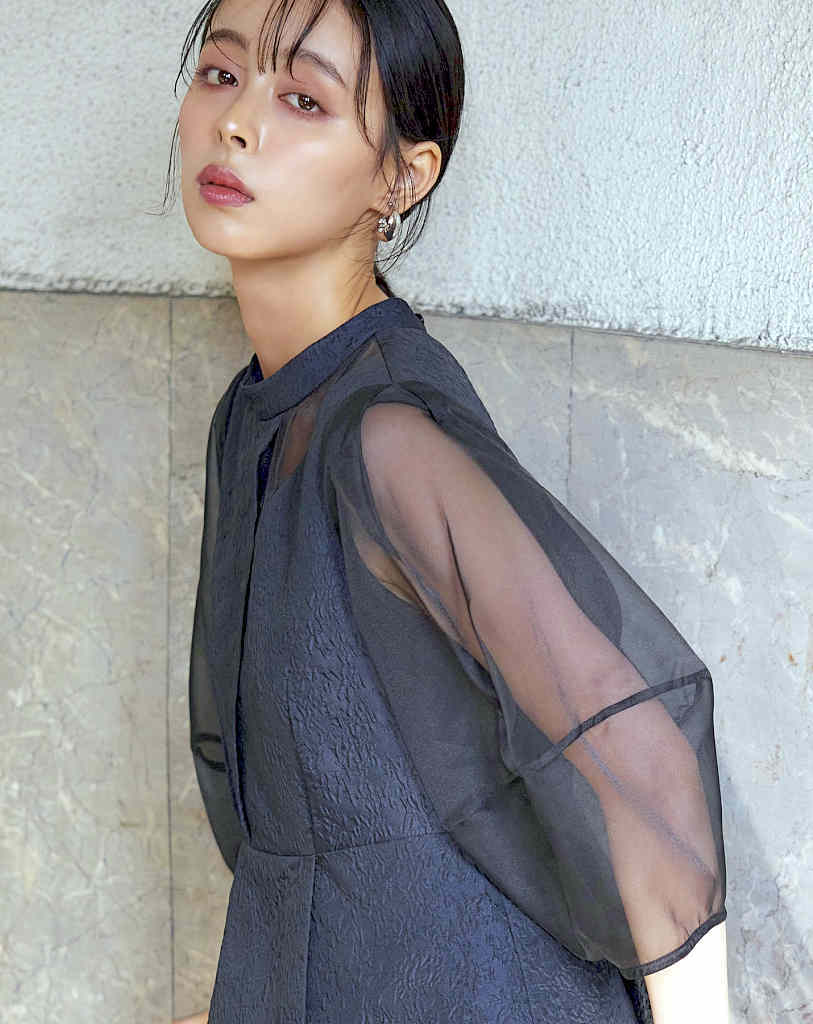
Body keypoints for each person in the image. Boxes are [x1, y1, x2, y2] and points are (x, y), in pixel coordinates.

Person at [166, 0, 730, 1020]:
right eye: (221, 74)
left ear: (402, 177)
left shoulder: (387, 430)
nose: (238, 122)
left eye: (303, 98)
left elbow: (643, 751)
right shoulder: (256, 412)